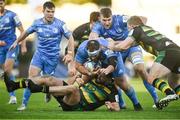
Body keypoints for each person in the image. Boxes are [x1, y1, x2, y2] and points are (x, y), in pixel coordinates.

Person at [10, 1, 75, 111]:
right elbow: (26, 32)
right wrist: (17, 41)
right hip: (39, 55)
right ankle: (24, 104)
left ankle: (51, 94)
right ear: (43, 11)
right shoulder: (37, 23)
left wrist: (70, 53)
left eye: (52, 12)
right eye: (48, 11)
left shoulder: (60, 24)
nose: (50, 14)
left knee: (47, 80)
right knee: (32, 78)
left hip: (52, 58)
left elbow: (71, 37)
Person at [89, 7, 159, 107]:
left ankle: (156, 99)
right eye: (104, 20)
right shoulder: (98, 26)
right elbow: (92, 37)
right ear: (100, 18)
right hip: (117, 52)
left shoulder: (120, 19)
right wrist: (107, 42)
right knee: (117, 79)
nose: (107, 23)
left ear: (112, 17)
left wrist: (137, 32)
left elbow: (143, 19)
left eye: (109, 19)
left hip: (131, 47)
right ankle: (122, 104)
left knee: (140, 68)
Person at [108, 16, 179, 109]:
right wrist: (114, 42)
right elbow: (128, 43)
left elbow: (123, 46)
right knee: (173, 83)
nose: (128, 31)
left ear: (132, 26)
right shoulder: (147, 29)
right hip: (177, 51)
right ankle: (172, 92)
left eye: (128, 28)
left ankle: (169, 93)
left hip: (166, 52)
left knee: (150, 78)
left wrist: (111, 46)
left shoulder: (136, 30)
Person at [3, 69, 120, 111]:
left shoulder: (112, 91)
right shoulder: (94, 76)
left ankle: (39, 89)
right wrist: (79, 77)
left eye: (103, 75)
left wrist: (111, 107)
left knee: (73, 89)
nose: (100, 75)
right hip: (66, 94)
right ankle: (14, 86)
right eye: (101, 73)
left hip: (78, 105)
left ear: (110, 79)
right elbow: (72, 80)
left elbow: (117, 108)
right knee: (49, 78)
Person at [75, 39, 143, 111]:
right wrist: (88, 73)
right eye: (91, 55)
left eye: (94, 55)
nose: (93, 58)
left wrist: (106, 71)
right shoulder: (82, 49)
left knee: (120, 82)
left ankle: (136, 104)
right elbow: (77, 66)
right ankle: (78, 99)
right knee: (84, 78)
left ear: (100, 49)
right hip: (95, 63)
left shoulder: (108, 49)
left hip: (112, 60)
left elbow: (112, 65)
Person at [0, 0, 27, 104]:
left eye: (1, 3)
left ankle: (12, 96)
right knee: (7, 72)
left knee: (7, 69)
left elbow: (23, 31)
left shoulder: (12, 15)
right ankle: (13, 96)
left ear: (4, 4)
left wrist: (23, 45)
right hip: (0, 48)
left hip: (12, 46)